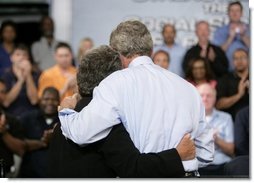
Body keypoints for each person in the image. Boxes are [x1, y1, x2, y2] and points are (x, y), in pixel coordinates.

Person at [59, 20, 214, 176]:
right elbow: (206, 153)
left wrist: (66, 110)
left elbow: (81, 133)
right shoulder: (188, 87)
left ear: (115, 52)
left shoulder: (113, 84)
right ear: (151, 50)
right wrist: (180, 160)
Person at [48, 45, 195, 178]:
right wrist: (177, 155)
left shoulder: (62, 122)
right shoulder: (105, 122)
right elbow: (134, 168)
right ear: (115, 80)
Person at [18, 87, 60, 178]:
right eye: (46, 99)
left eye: (54, 100)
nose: (50, 103)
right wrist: (43, 143)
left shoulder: (64, 121)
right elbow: (19, 143)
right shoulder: (27, 118)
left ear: (59, 102)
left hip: (55, 175)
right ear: (40, 100)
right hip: (29, 174)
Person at [197, 83, 234, 177]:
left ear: (215, 98)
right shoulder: (189, 118)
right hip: (197, 166)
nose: (205, 99)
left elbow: (231, 150)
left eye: (209, 96)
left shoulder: (226, 118)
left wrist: (216, 139)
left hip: (221, 165)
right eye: (201, 95)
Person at [1, 44, 39, 117]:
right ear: (11, 58)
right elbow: (5, 102)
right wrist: (20, 81)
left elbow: (34, 100)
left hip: (32, 116)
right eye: (18, 54)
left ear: (28, 58)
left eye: (24, 55)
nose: (21, 57)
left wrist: (28, 75)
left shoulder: (36, 75)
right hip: (11, 116)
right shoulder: (5, 76)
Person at [213, 1, 249, 71]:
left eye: (237, 10)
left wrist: (243, 36)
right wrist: (230, 38)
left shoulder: (250, 29)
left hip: (248, 73)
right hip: (227, 72)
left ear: (241, 13)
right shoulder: (220, 31)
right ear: (228, 13)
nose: (235, 13)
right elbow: (217, 53)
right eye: (232, 10)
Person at [216, 49, 249, 120]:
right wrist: (239, 95)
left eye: (242, 57)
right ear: (232, 62)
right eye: (236, 58)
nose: (239, 61)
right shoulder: (225, 79)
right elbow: (219, 105)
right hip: (232, 121)